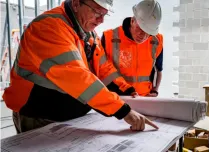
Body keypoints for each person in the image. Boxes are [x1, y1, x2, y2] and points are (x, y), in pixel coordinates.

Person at [2, 0, 158, 133]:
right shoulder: (48, 27)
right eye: (97, 13)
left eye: (104, 14)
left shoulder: (88, 34)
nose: (101, 21)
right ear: (76, 3)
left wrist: (126, 89)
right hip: (39, 117)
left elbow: (105, 69)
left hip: (69, 119)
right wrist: (123, 111)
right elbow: (78, 78)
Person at [100, 0, 164, 97]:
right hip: (117, 98)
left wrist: (155, 90)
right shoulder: (109, 37)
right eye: (139, 28)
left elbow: (159, 70)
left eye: (147, 31)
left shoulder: (156, 41)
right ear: (132, 21)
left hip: (145, 99)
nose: (142, 35)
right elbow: (100, 70)